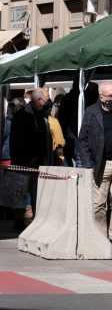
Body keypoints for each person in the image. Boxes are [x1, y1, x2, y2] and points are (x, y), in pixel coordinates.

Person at [76, 82, 112, 252]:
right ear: (101, 97)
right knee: (98, 203)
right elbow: (83, 141)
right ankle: (101, 237)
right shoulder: (91, 112)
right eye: (110, 96)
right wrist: (88, 164)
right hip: (99, 164)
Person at [9, 89, 53, 225]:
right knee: (22, 193)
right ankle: (21, 220)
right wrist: (20, 161)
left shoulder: (41, 115)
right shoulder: (23, 116)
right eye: (47, 99)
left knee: (37, 193)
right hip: (25, 162)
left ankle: (35, 221)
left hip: (39, 162)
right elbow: (15, 141)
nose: (48, 102)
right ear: (39, 100)